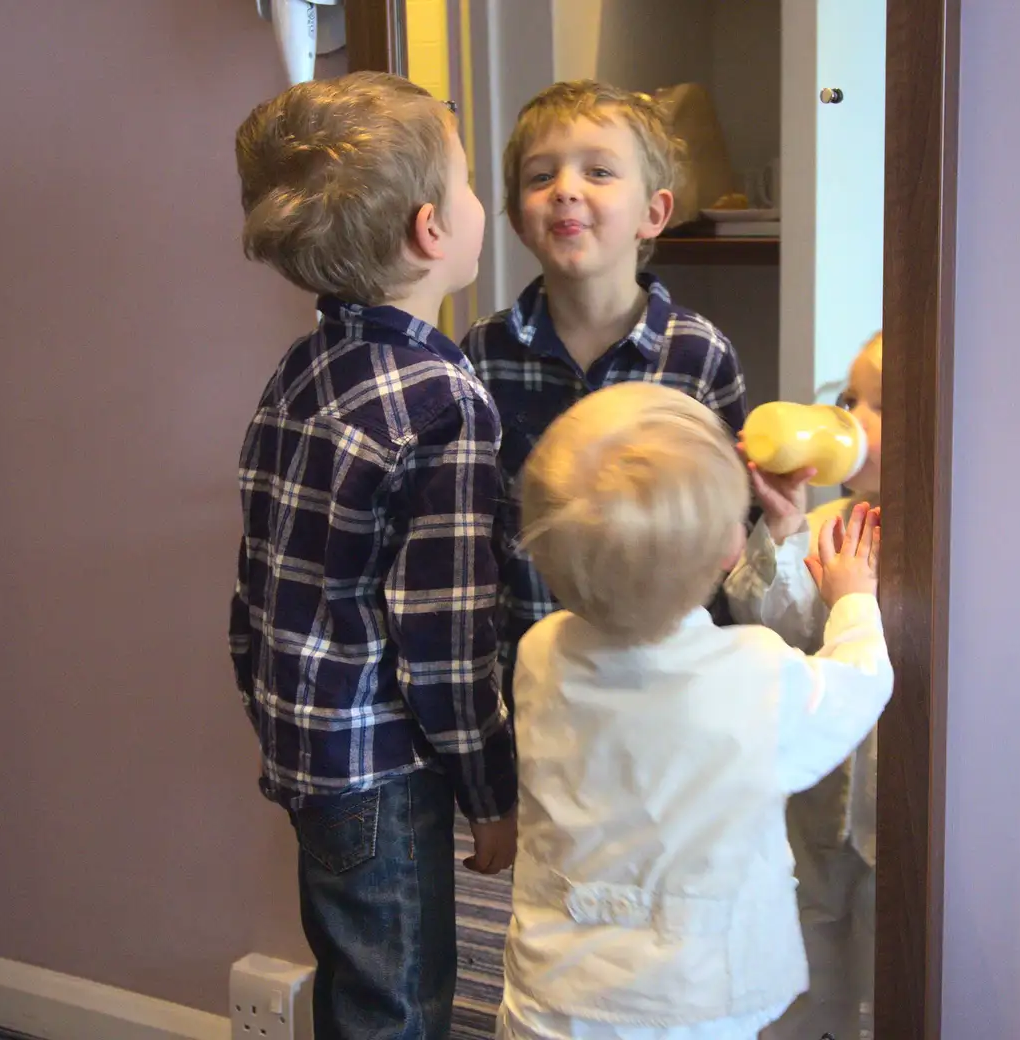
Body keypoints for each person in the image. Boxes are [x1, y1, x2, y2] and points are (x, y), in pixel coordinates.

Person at [228, 72, 516, 1040]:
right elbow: (443, 640)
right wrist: (490, 790)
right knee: (399, 996)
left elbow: (260, 565)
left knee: (354, 967)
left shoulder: (304, 364)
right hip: (386, 765)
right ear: (432, 230)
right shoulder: (443, 400)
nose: (483, 204)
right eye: (470, 183)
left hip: (309, 747)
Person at [498, 382, 894, 1039]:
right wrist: (854, 601)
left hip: (553, 993)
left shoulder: (540, 653)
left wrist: (790, 532)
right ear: (725, 552)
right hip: (696, 1000)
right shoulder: (752, 673)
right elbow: (856, 687)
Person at [461, 80, 748, 702]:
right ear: (517, 218)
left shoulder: (698, 355)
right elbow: (473, 527)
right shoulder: (482, 354)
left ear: (654, 213)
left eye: (597, 170)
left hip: (671, 682)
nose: (565, 188)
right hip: (534, 681)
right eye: (541, 177)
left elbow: (729, 529)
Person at [725, 332, 886, 1040]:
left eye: (877, 405)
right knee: (808, 951)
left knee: (888, 964)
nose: (850, 417)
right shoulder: (830, 524)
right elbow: (776, 626)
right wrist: (786, 524)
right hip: (821, 806)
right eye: (848, 398)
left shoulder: (956, 532)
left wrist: (861, 598)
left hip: (894, 814)